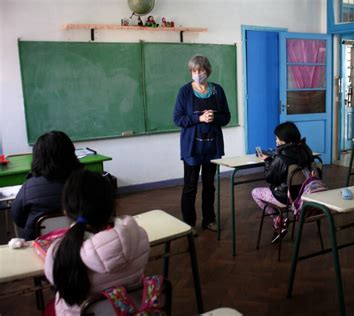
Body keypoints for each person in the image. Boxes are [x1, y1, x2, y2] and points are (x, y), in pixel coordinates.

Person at [44, 169, 150, 315]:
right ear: (111, 206)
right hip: (130, 310)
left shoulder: (58, 252)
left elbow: (57, 284)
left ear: (66, 211)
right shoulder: (140, 237)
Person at [173, 55, 231, 235]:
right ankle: (189, 224)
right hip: (192, 148)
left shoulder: (217, 91)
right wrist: (198, 118)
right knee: (190, 187)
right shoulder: (185, 92)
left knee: (209, 185)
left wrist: (215, 117)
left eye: (201, 70)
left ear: (208, 71)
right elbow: (177, 119)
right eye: (194, 71)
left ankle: (209, 220)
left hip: (212, 147)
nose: (198, 74)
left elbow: (226, 117)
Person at [251, 121, 316, 244]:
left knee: (255, 192)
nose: (275, 141)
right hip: (306, 196)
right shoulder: (306, 151)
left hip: (286, 198)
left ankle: (278, 219)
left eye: (277, 138)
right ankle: (282, 219)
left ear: (284, 140)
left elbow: (269, 178)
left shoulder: (281, 158)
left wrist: (268, 161)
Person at [11, 131, 82, 240]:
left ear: (38, 157)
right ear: (71, 153)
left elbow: (18, 218)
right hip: (81, 242)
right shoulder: (86, 181)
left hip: (38, 244)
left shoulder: (29, 187)